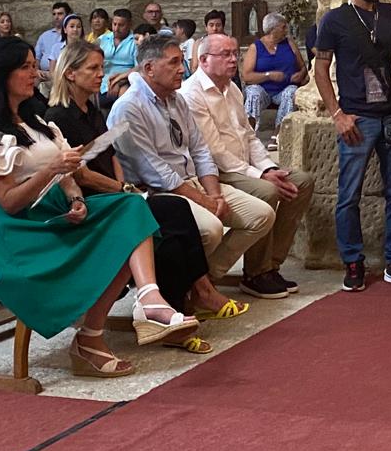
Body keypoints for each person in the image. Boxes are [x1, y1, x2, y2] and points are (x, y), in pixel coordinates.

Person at [0, 37, 200, 376]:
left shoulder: (35, 122)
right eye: (25, 67)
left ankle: (147, 298)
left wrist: (75, 197)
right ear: (1, 74)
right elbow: (9, 202)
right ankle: (94, 337)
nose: (35, 73)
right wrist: (51, 171)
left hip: (49, 211)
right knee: (124, 226)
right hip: (11, 231)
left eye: (32, 65)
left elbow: (68, 172)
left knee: (131, 209)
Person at [46, 40, 234, 346]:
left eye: (101, 67)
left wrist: (124, 187)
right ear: (70, 74)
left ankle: (191, 298)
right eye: (93, 68)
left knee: (176, 211)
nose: (101, 75)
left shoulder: (91, 110)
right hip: (91, 199)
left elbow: (112, 155)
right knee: (165, 230)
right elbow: (80, 173)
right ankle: (172, 310)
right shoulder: (60, 116)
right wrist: (122, 189)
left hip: (116, 192)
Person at [110, 36, 274, 289]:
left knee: (261, 215)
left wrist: (215, 194)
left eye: (181, 61)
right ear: (149, 68)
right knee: (210, 229)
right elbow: (155, 172)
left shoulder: (176, 99)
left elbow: (200, 150)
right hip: (160, 193)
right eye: (173, 62)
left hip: (193, 181)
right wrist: (204, 202)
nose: (181, 69)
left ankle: (204, 280)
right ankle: (181, 287)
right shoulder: (129, 108)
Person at [313, 0, 391, 292]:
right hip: (357, 117)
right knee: (349, 194)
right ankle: (353, 261)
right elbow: (320, 70)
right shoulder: (334, 20)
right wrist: (337, 114)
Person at [184, 32, 313, 300]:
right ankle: (255, 272)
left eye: (235, 54)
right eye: (226, 55)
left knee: (301, 182)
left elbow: (249, 135)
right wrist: (261, 176)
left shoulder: (232, 88)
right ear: (204, 60)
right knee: (267, 191)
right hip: (216, 171)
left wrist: (267, 168)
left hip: (243, 166)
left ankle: (271, 265)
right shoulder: (192, 94)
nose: (234, 60)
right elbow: (213, 151)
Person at [240, 12, 307, 133]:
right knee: (254, 93)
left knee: (291, 92)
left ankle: (280, 132)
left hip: (284, 89)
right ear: (273, 29)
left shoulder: (289, 43)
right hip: (263, 90)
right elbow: (246, 76)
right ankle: (248, 132)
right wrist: (269, 75)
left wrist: (301, 74)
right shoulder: (255, 47)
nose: (286, 30)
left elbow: (303, 67)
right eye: (283, 27)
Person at [100, 9, 138, 83]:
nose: (116, 29)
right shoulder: (103, 39)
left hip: (126, 83)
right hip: (102, 84)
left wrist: (120, 81)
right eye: (114, 24)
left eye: (121, 25)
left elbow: (139, 68)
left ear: (130, 25)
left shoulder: (135, 42)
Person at [33, 2, 72, 72]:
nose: (56, 17)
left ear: (68, 15)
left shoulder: (72, 35)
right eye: (54, 14)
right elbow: (36, 58)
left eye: (60, 14)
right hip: (43, 74)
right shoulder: (44, 36)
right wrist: (36, 71)